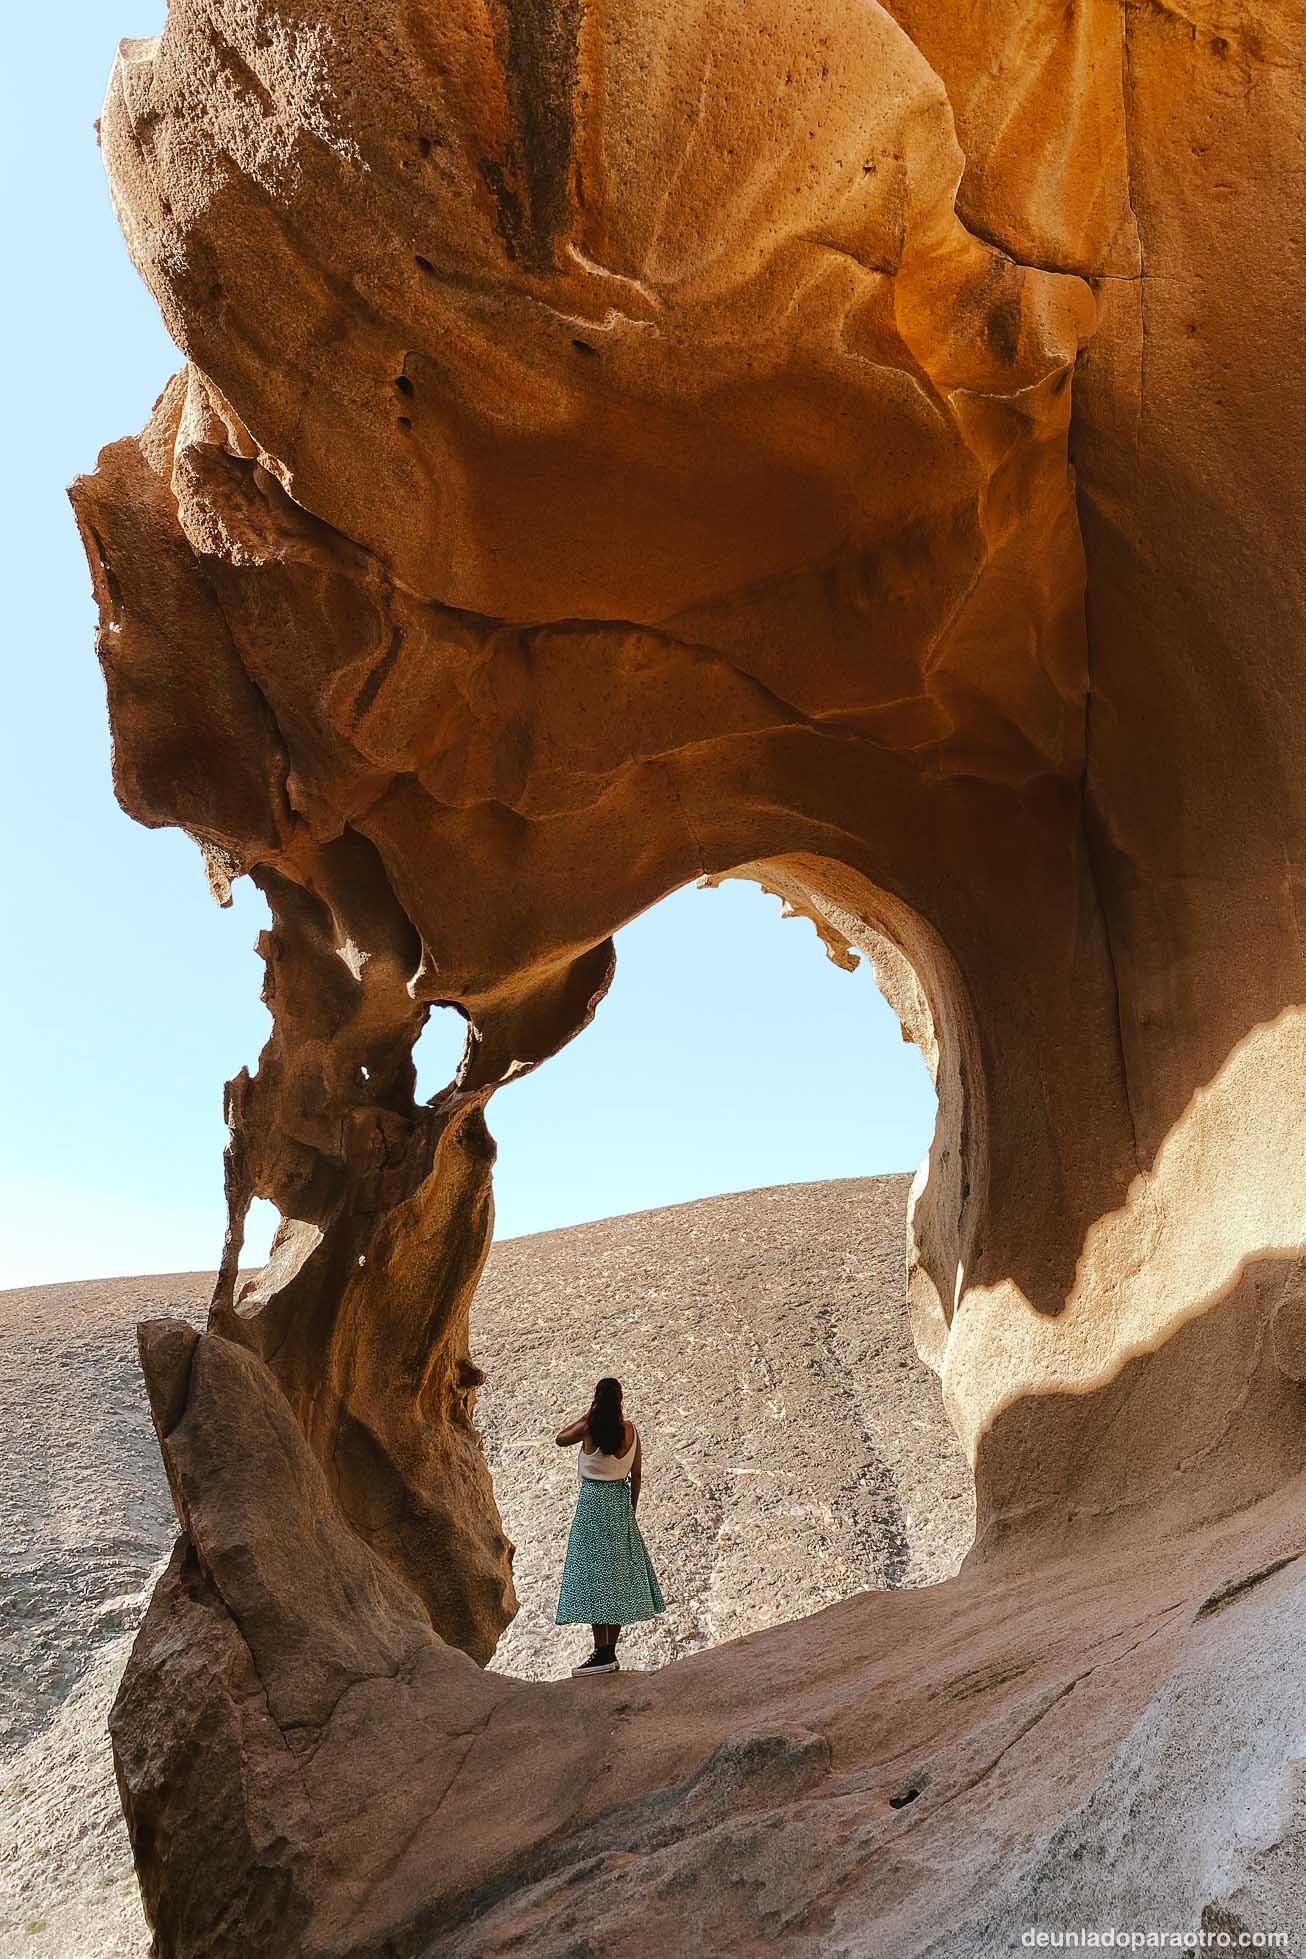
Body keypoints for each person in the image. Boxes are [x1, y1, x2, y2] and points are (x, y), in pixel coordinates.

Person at [554, 1376, 666, 1675]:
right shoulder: (630, 1431)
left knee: (595, 1577)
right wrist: (631, 1509)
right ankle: (609, 1653)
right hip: (619, 1504)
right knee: (615, 1580)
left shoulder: (588, 1427)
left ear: (596, 1400)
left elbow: (560, 1438)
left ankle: (601, 1653)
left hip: (592, 1505)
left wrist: (585, 1415)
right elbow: (637, 1475)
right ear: (620, 1400)